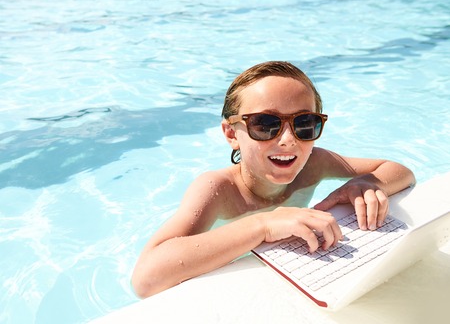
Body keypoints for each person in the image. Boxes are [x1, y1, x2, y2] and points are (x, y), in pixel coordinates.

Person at [132, 61, 415, 298]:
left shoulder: (314, 164)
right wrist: (261, 225)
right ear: (232, 134)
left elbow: (397, 170)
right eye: (265, 124)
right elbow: (146, 279)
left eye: (305, 124)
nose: (288, 140)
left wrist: (366, 184)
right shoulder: (218, 189)